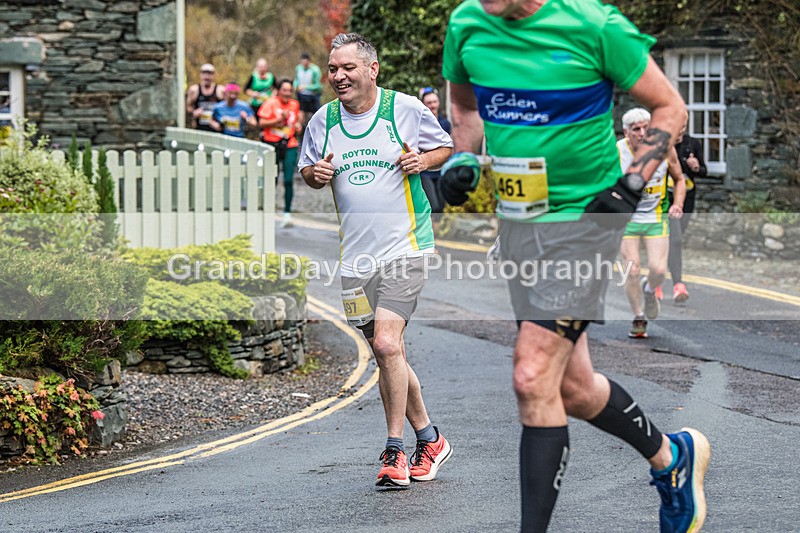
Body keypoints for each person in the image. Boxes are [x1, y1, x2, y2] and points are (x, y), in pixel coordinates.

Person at [440, 1, 710, 532]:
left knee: (531, 373)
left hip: (589, 219)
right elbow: (465, 109)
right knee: (573, 387)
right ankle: (671, 458)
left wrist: (630, 185)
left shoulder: (594, 24)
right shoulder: (466, 23)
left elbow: (670, 110)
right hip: (521, 224)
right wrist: (462, 157)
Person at [299, 33, 454, 488]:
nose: (338, 77)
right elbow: (309, 171)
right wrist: (315, 174)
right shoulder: (323, 119)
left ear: (372, 69)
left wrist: (422, 161)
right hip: (355, 257)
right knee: (388, 354)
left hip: (406, 246)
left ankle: (395, 451)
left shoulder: (404, 109)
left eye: (347, 68)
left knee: (387, 345)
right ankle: (431, 438)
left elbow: (444, 147)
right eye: (332, 69)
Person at [618, 108, 685, 339]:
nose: (643, 132)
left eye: (647, 127)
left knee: (658, 270)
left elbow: (679, 180)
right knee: (632, 269)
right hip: (625, 220)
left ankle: (650, 289)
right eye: (637, 129)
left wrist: (677, 203)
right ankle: (638, 317)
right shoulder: (616, 152)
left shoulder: (664, 148)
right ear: (627, 133)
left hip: (655, 217)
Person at [667, 117, 706, 303]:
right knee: (675, 240)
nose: (680, 130)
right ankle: (677, 283)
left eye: (683, 126)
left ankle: (665, 269)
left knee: (675, 239)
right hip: (666, 200)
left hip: (687, 198)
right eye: (677, 126)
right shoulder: (663, 146)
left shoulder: (692, 144)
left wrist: (696, 166)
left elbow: (704, 170)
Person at [259, 79, 303, 228]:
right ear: (278, 90)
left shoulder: (294, 105)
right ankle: (268, 211)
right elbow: (262, 123)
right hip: (272, 144)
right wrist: (278, 119)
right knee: (272, 178)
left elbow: (295, 123)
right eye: (284, 90)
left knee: (289, 179)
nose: (287, 93)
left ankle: (287, 213)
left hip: (289, 144)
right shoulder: (271, 103)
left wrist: (297, 127)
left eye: (289, 90)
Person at [418, 86, 452, 218]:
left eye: (434, 102)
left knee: (441, 208)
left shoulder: (445, 123)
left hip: (441, 171)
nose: (432, 105)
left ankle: (436, 235)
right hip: (426, 172)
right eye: (429, 103)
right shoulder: (419, 122)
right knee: (434, 206)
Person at [186, 63, 225, 131]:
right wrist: (194, 112)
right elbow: (188, 107)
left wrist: (219, 120)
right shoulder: (194, 90)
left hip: (216, 129)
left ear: (213, 75)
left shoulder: (220, 90)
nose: (207, 77)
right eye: (204, 73)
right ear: (200, 75)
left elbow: (228, 108)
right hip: (200, 129)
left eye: (209, 74)